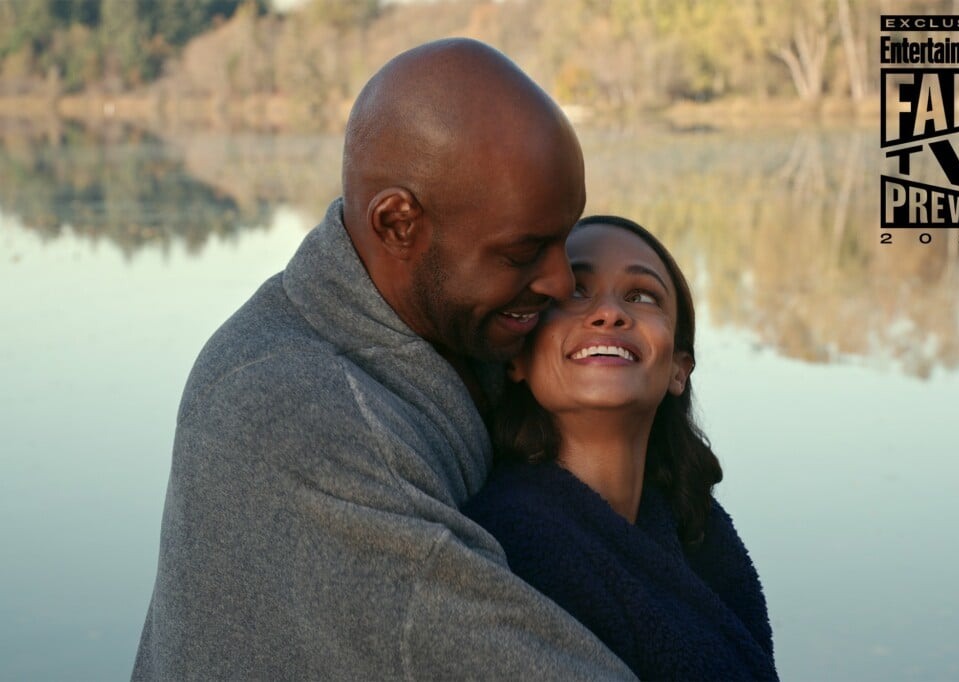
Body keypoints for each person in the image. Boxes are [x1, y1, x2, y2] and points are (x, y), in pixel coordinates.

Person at [133, 40, 635, 679]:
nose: (562, 282)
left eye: (565, 238)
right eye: (522, 252)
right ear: (398, 223)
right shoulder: (299, 411)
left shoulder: (466, 335)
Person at [464, 216, 779, 680]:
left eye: (641, 296)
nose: (610, 312)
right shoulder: (505, 546)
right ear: (518, 360)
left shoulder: (699, 532)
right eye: (575, 291)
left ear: (678, 368)